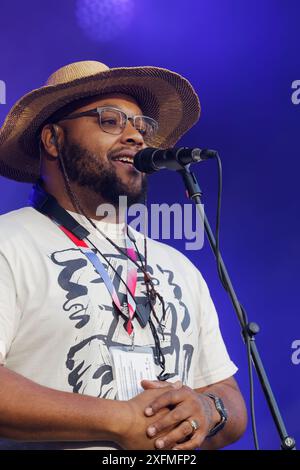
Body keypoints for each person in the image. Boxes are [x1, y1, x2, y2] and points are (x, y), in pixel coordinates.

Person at [0, 60, 247, 450]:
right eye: (110, 121)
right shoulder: (8, 243)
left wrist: (208, 408)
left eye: (141, 127)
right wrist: (121, 420)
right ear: (52, 139)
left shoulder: (177, 266)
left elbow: (227, 393)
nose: (136, 137)